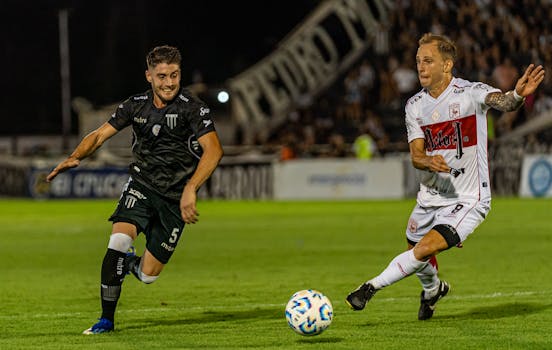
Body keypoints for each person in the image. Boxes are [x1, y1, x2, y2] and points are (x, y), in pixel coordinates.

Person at [346, 33, 545, 320]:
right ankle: (433, 290)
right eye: (418, 61)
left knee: (425, 248)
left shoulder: (470, 92)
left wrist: (516, 96)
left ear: (447, 65)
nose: (421, 67)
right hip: (429, 197)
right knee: (416, 251)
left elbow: (502, 102)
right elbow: (416, 155)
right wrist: (428, 161)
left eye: (428, 61)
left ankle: (369, 287)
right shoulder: (414, 105)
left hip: (468, 198)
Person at [46, 45, 223, 334]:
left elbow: (213, 151)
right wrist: (77, 156)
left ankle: (130, 265)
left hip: (175, 198)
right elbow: (100, 134)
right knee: (117, 244)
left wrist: (191, 188)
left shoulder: (193, 107)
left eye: (174, 75)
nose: (169, 82)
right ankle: (106, 320)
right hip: (141, 185)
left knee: (149, 276)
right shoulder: (135, 105)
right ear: (149, 76)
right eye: (162, 76)